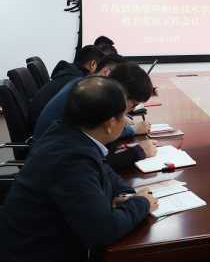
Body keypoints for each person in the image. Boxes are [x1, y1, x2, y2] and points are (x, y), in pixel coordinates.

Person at [0, 76, 158, 261]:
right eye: (124, 114)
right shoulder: (72, 160)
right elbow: (102, 232)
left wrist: (125, 194)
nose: (126, 119)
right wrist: (141, 203)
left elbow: (103, 167)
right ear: (110, 124)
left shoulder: (66, 131)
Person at [32, 60, 157, 171]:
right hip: (49, 164)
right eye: (134, 104)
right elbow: (96, 164)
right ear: (123, 92)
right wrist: (136, 153)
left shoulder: (89, 87)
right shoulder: (89, 99)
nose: (132, 109)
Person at [27, 45, 105, 131]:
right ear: (92, 64)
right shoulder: (76, 82)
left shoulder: (71, 73)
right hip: (44, 131)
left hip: (40, 125)